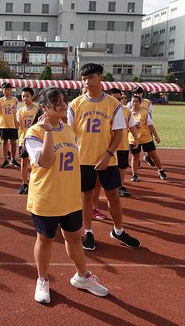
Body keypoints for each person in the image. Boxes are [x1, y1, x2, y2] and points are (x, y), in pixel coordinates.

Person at [24, 87, 108, 304]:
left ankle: (82, 277)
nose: (63, 104)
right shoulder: (34, 132)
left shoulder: (70, 130)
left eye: (64, 100)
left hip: (70, 198)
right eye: (57, 101)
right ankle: (42, 279)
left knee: (74, 238)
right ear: (44, 107)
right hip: (46, 198)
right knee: (46, 240)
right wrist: (49, 131)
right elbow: (45, 162)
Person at [68, 63, 140, 251]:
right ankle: (89, 232)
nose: (87, 82)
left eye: (91, 77)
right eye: (84, 79)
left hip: (108, 159)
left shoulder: (113, 104)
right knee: (86, 197)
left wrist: (108, 155)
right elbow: (68, 132)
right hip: (83, 160)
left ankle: (118, 230)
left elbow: (118, 133)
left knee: (114, 196)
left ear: (101, 78)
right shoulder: (75, 105)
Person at [129, 95, 168, 181]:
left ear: (139, 103)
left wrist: (156, 136)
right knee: (135, 157)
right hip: (133, 139)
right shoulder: (127, 113)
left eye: (137, 102)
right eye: (133, 101)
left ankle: (161, 170)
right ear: (130, 102)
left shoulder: (144, 113)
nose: (135, 103)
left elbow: (150, 125)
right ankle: (134, 174)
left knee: (153, 154)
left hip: (146, 137)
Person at [13, 87, 38, 195]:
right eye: (23, 96)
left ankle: (35, 184)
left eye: (27, 96)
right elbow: (16, 126)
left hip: (35, 140)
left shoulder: (37, 110)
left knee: (35, 164)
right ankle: (24, 184)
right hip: (24, 141)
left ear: (32, 97)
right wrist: (14, 113)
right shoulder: (20, 111)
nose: (25, 98)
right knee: (24, 162)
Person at [127, 86, 156, 168]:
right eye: (135, 93)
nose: (137, 94)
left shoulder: (147, 102)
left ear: (142, 93)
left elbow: (149, 114)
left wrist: (150, 127)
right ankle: (137, 161)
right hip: (134, 127)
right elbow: (127, 112)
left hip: (145, 126)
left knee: (148, 144)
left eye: (139, 93)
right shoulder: (131, 103)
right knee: (135, 146)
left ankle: (147, 156)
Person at [0, 82, 20, 168]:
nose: (6, 91)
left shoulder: (15, 100)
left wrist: (17, 122)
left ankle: (13, 159)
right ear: (2, 90)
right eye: (5, 89)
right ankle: (5, 159)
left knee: (13, 142)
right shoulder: (0, 101)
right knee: (4, 142)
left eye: (8, 89)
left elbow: (18, 112)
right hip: (3, 124)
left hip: (13, 124)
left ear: (10, 90)